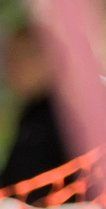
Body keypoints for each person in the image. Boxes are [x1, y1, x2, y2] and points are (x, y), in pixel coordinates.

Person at [0, 27, 72, 192]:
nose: (10, 68)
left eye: (17, 58)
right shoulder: (32, 112)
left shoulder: (63, 116)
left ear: (46, 59)